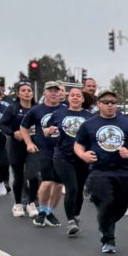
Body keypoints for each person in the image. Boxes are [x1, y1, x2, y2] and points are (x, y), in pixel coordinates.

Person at [74, 90, 128, 253]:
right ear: (99, 104)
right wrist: (83, 155)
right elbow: (78, 145)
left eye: (113, 102)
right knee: (106, 202)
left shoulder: (127, 124)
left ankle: (107, 222)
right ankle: (108, 238)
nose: (111, 105)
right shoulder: (89, 124)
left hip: (123, 171)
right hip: (99, 171)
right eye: (106, 102)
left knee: (120, 206)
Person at [51, 88, 94, 237]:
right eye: (72, 95)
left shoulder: (90, 117)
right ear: (68, 98)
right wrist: (47, 131)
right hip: (63, 156)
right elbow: (45, 130)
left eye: (78, 96)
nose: (75, 98)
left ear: (83, 99)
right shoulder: (59, 114)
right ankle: (70, 222)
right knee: (72, 188)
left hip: (82, 157)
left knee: (80, 188)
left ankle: (75, 215)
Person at [20, 81, 64, 227]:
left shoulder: (65, 110)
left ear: (60, 94)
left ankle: (50, 212)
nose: (53, 93)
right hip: (43, 151)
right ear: (44, 93)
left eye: (56, 91)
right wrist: (29, 143)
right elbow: (23, 127)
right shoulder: (37, 110)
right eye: (50, 90)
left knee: (58, 185)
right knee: (46, 182)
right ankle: (42, 211)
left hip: (62, 152)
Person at [1, 82, 40, 218]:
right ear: (18, 94)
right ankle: (18, 204)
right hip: (16, 145)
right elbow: (2, 125)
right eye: (23, 90)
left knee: (34, 176)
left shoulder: (37, 109)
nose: (27, 92)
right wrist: (13, 133)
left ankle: (31, 203)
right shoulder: (12, 109)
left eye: (29, 90)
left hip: (33, 145)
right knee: (19, 177)